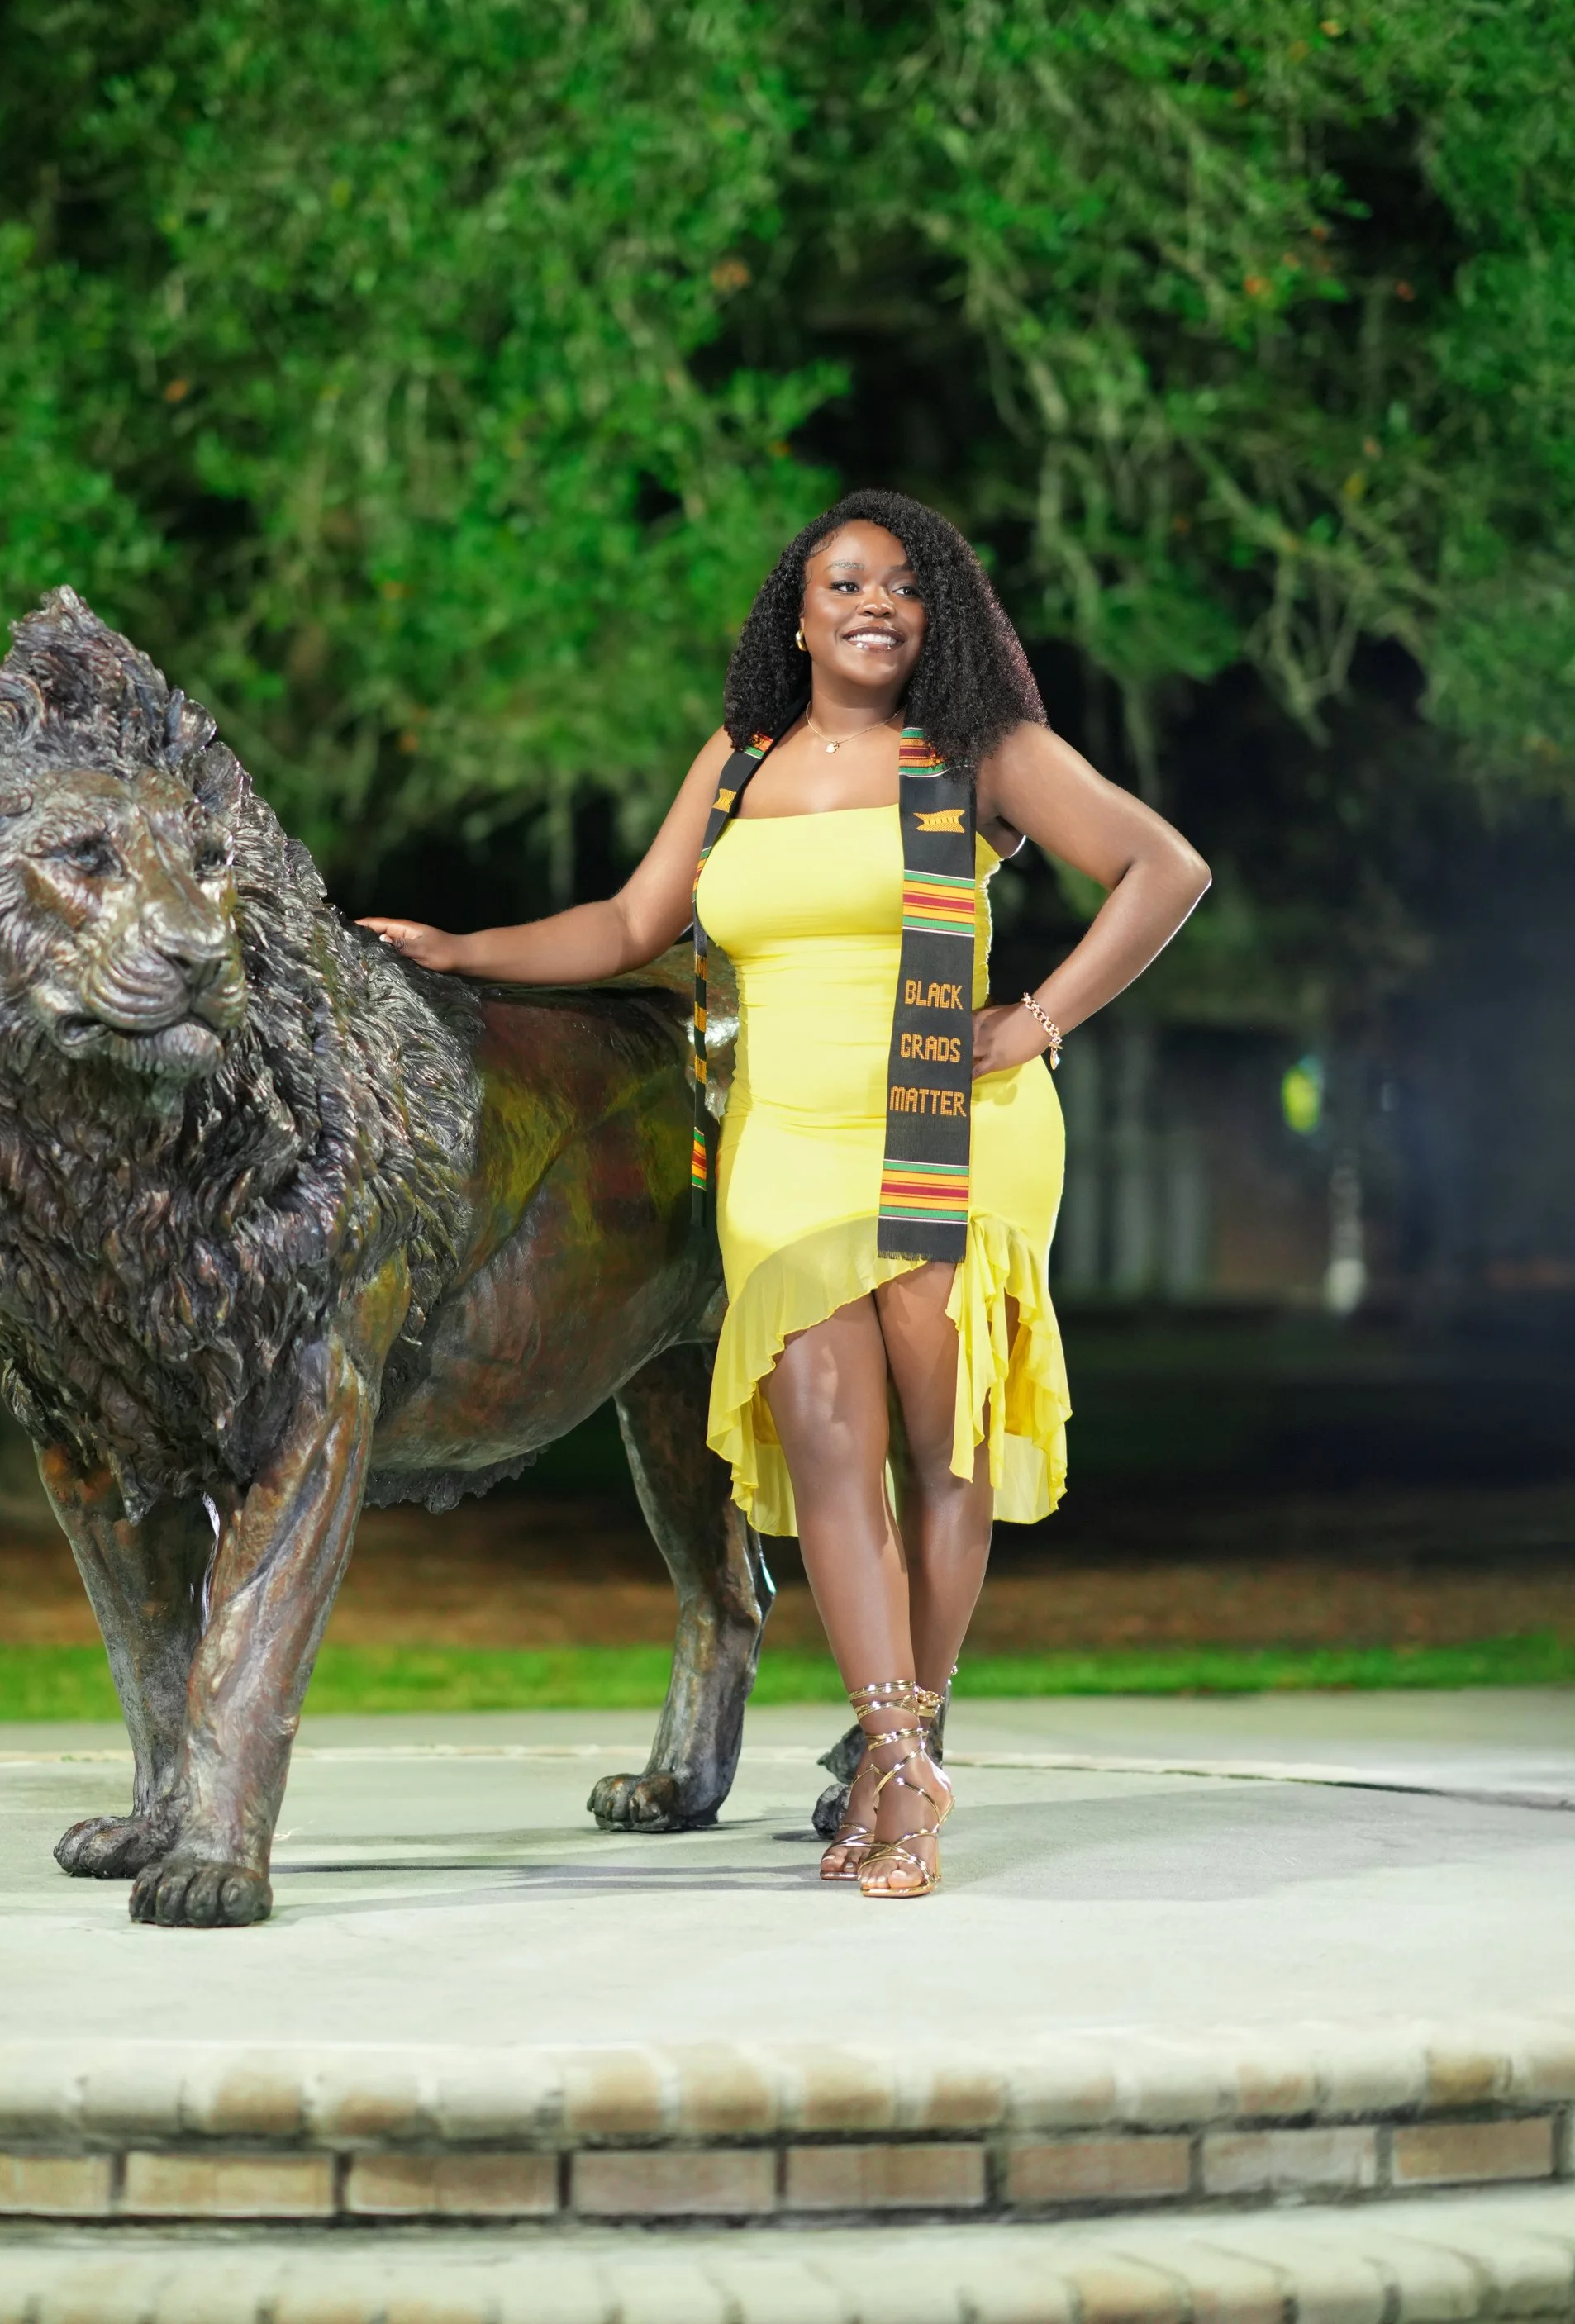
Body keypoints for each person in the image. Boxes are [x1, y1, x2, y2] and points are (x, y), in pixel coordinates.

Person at [359, 490, 1209, 1898]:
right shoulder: (741, 762)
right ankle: (900, 1751)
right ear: (799, 615)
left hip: (950, 1122)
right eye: (845, 582)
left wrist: (1042, 1018)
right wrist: (460, 948)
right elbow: (635, 926)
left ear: (938, 615)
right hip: (784, 1140)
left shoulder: (982, 752)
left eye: (905, 586)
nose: (875, 604)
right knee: (826, 1452)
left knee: (940, 1458)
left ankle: (898, 1767)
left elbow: (1162, 869)